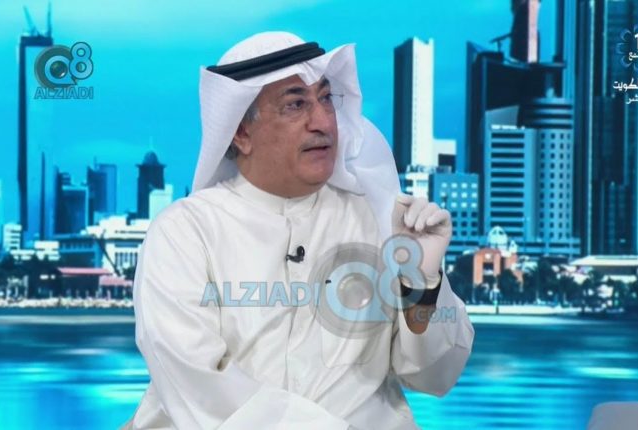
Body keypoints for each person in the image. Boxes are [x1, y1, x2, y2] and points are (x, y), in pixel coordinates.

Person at [123, 31, 474, 430]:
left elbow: (436, 376)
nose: (322, 122)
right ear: (241, 133)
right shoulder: (185, 233)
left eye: (326, 99)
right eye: (296, 105)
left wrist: (422, 284)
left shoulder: (378, 221)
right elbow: (200, 385)